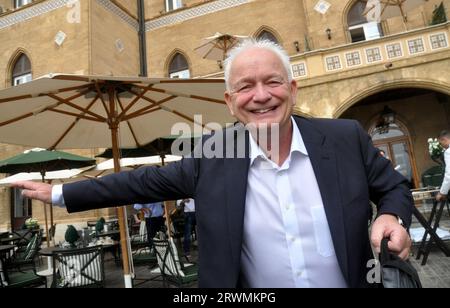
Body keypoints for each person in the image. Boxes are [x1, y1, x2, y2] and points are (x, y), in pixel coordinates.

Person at [12, 39, 413, 288]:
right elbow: (141, 182)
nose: (260, 96)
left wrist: (391, 216)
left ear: (292, 89)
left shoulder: (344, 138)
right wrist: (61, 192)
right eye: (245, 87)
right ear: (229, 102)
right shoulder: (213, 154)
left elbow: (393, 187)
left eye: (272, 82)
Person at [436, 130, 450, 202]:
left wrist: (442, 192)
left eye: (441, 143)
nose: (441, 146)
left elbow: (449, 174)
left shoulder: (448, 152)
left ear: (444, 140)